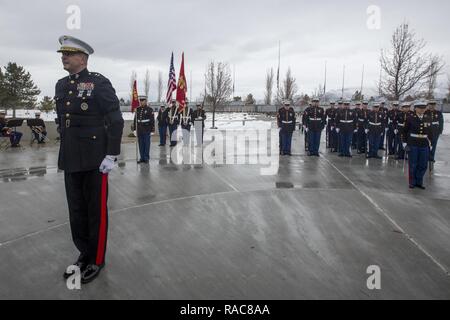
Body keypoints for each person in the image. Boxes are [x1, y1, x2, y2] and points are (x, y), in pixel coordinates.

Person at [55, 35, 124, 284]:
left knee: (96, 212)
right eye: (62, 53)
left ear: (82, 58)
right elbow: (62, 121)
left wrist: (111, 153)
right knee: (77, 211)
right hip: (71, 158)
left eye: (68, 54)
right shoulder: (61, 85)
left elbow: (116, 119)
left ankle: (97, 259)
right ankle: (83, 253)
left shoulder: (98, 83)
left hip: (96, 160)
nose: (63, 57)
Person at [402, 100, 432, 189]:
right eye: (420, 108)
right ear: (415, 108)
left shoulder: (428, 118)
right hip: (413, 143)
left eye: (424, 108)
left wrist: (431, 143)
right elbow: (404, 131)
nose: (422, 110)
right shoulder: (410, 118)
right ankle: (412, 182)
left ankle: (419, 181)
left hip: (424, 143)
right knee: (413, 164)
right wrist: (404, 143)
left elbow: (430, 132)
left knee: (423, 164)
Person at [132, 96, 155, 164]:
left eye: (143, 101)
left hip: (146, 129)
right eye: (140, 101)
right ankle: (142, 158)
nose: (141, 102)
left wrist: (152, 129)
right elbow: (135, 119)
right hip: (139, 129)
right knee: (141, 144)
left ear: (146, 101)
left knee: (146, 144)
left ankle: (146, 158)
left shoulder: (149, 109)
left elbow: (152, 120)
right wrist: (134, 129)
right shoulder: (138, 109)